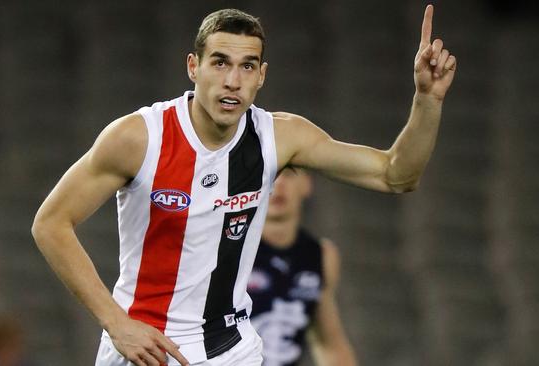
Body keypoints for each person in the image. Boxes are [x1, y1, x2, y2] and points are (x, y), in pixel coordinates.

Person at [31, 5, 455, 366]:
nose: (232, 81)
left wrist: (427, 101)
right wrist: (116, 322)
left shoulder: (280, 136)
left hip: (232, 349)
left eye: (247, 66)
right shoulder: (139, 138)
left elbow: (396, 175)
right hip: (145, 348)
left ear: (262, 76)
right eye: (220, 62)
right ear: (193, 67)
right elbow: (50, 223)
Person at [248, 169, 356, 366]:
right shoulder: (229, 247)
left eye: (288, 174)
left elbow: (327, 344)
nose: (278, 184)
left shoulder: (321, 255)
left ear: (307, 184)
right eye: (271, 175)